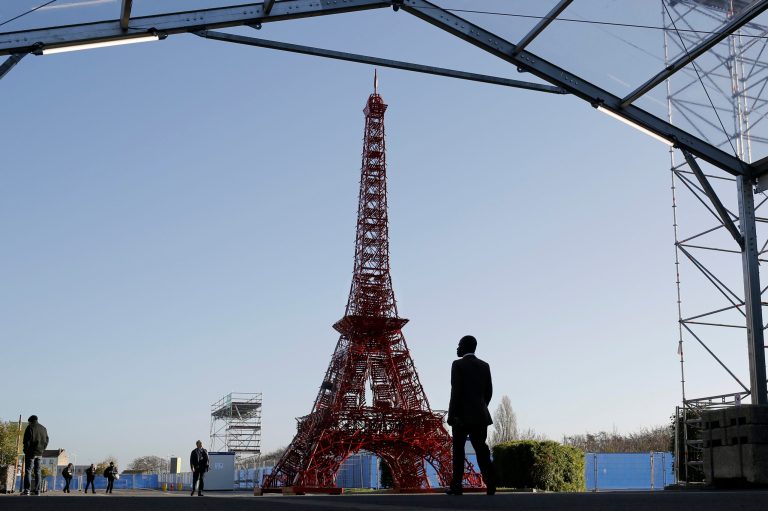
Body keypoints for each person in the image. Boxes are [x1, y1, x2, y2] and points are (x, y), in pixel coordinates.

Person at [446, 335, 496, 496]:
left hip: (461, 417)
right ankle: (490, 482)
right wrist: (480, 408)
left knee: (458, 451)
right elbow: (489, 392)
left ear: (465, 347)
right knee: (481, 450)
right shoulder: (484, 365)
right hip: (480, 416)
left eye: (459, 345)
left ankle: (457, 486)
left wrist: (452, 414)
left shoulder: (458, 364)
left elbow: (456, 391)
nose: (457, 348)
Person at [22, 415, 49, 496]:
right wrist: (42, 449)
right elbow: (47, 440)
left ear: (30, 421)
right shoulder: (43, 428)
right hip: (40, 453)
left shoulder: (30, 427)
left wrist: (26, 451)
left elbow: (26, 441)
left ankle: (27, 490)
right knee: (38, 471)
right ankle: (37, 491)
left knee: (28, 471)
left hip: (31, 453)